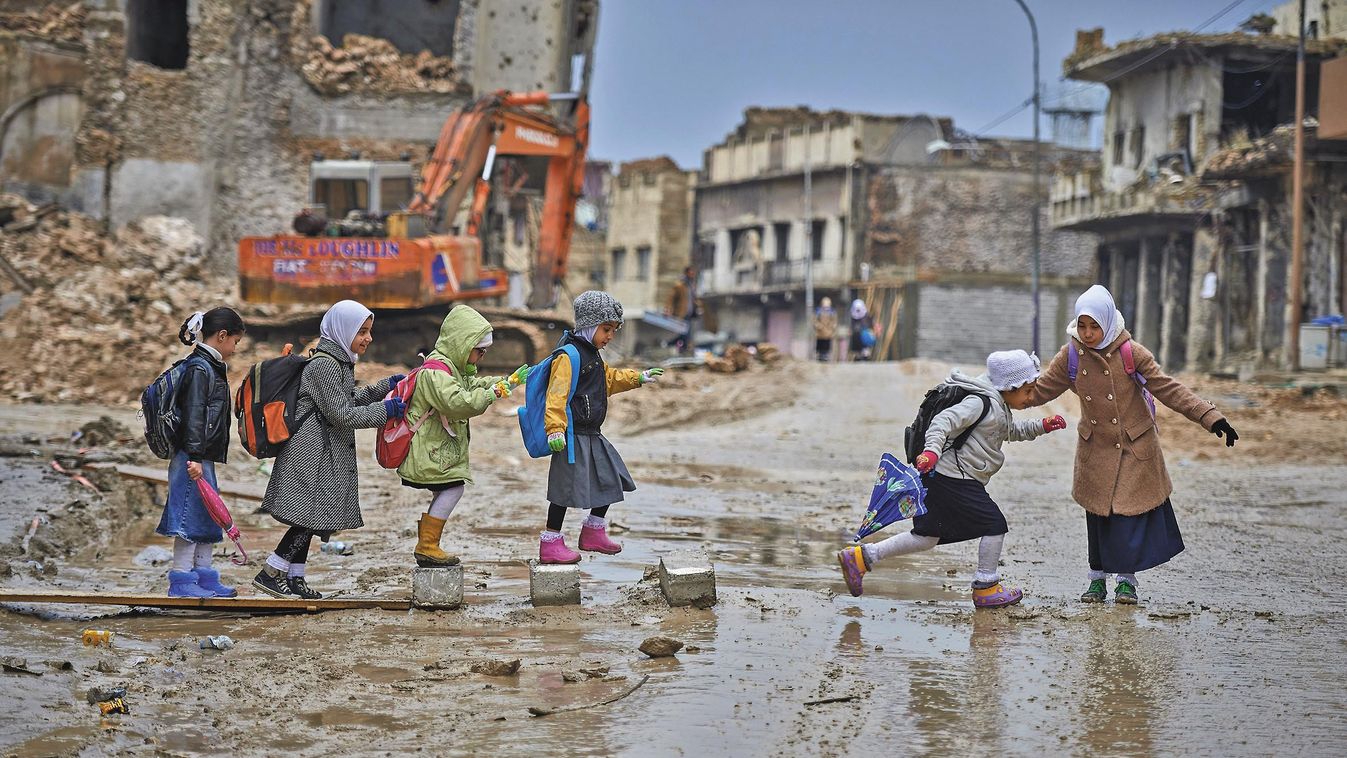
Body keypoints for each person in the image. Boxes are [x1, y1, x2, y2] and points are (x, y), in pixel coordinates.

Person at [1025, 285, 1238, 604]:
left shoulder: (1130, 352)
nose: (1088, 333)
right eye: (1082, 325)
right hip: (1095, 447)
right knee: (1097, 517)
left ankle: (1126, 581)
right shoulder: (1071, 355)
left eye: (1094, 326)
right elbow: (1040, 390)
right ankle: (1096, 581)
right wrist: (998, 396)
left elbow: (1168, 388)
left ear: (1107, 321)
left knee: (1126, 517)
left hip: (1133, 448)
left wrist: (1210, 417)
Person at [837, 349, 1068, 608]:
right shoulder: (981, 403)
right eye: (1027, 390)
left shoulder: (999, 406)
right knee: (994, 524)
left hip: (949, 479)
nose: (1030, 397)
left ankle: (861, 557)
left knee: (927, 536)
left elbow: (1010, 431)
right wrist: (931, 451)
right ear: (1009, 386)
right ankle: (986, 586)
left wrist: (1042, 426)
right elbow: (942, 422)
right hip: (953, 478)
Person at [253, 300, 405, 599]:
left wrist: (384, 387)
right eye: (362, 331)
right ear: (343, 330)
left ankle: (294, 577)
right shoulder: (325, 365)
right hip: (311, 454)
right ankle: (270, 572)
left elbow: (348, 399)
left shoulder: (338, 363)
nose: (368, 338)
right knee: (307, 516)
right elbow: (342, 414)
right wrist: (385, 411)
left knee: (311, 515)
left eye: (368, 331)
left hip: (322, 452)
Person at [538, 291, 665, 563]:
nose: (610, 336)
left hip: (593, 434)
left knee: (611, 477)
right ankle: (550, 543)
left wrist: (638, 377)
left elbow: (610, 379)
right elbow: (556, 395)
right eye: (606, 329)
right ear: (589, 324)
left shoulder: (593, 356)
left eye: (613, 330)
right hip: (571, 437)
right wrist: (555, 429)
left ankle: (593, 531)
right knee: (563, 491)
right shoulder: (568, 356)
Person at [397, 305, 528, 567]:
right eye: (479, 350)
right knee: (454, 487)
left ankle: (428, 544)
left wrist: (507, 381)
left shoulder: (453, 368)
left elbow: (473, 385)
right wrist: (494, 394)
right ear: (462, 343)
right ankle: (427, 545)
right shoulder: (436, 372)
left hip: (436, 449)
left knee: (447, 487)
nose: (481, 356)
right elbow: (458, 402)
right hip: (428, 449)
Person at [156, 307, 247, 598]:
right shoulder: (199, 368)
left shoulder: (210, 366)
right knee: (188, 517)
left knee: (209, 514)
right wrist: (194, 456)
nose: (235, 349)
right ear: (222, 336)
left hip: (201, 455)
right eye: (235, 342)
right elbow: (195, 414)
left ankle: (205, 577)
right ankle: (182, 580)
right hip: (191, 456)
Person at [667, 266, 699, 353]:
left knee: (685, 335)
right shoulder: (680, 285)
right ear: (687, 273)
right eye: (691, 273)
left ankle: (677, 347)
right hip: (681, 314)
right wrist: (668, 310)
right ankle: (669, 344)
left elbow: (693, 298)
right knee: (685, 334)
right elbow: (671, 298)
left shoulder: (692, 285)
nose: (693, 275)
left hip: (689, 314)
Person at [813, 297, 837, 362]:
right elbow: (815, 321)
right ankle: (820, 355)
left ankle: (826, 355)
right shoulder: (818, 311)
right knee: (820, 344)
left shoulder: (832, 312)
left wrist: (832, 326)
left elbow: (834, 321)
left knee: (827, 344)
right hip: (820, 333)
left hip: (828, 333)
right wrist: (818, 325)